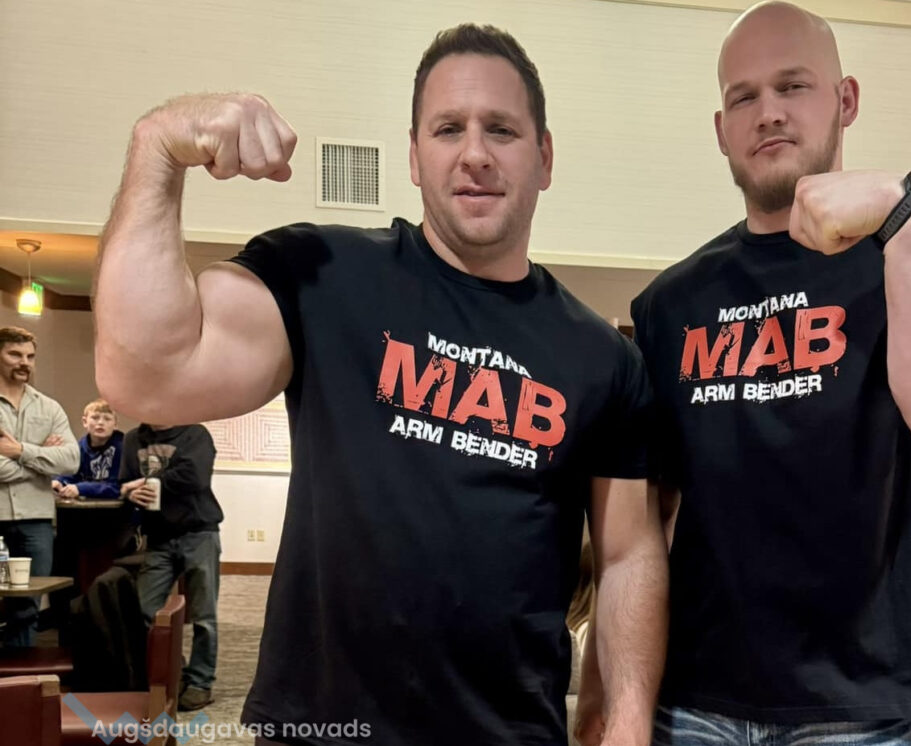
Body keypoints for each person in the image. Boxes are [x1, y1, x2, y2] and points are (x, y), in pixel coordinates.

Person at [93, 23, 667, 746]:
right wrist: (157, 147)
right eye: (449, 128)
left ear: (544, 156)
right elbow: (143, 376)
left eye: (502, 129)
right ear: (415, 156)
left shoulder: (602, 356)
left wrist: (627, 719)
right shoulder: (324, 276)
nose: (475, 153)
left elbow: (627, 555)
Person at [611, 3, 911, 745]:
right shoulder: (670, 304)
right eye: (744, 96)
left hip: (864, 709)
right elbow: (649, 526)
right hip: (696, 703)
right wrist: (623, 704)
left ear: (845, 99)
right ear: (722, 129)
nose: (768, 111)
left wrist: (899, 213)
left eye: (792, 86)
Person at [118, 422, 221, 711]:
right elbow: (125, 481)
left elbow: (195, 476)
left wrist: (146, 482)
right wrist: (130, 493)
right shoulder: (133, 438)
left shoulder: (195, 433)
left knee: (203, 616)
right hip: (159, 538)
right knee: (143, 611)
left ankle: (200, 683)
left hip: (199, 532)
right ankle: (176, 671)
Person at [0, 326, 81, 647]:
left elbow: (71, 460)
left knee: (27, 606)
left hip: (36, 521)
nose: (25, 362)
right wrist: (40, 460)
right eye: (15, 354)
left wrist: (21, 450)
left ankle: (19, 670)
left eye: (30, 356)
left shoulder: (49, 407)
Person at [53, 399, 125, 501]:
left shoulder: (122, 447)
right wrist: (60, 482)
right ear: (85, 422)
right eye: (95, 418)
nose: (100, 423)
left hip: (116, 506)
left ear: (115, 425)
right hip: (87, 505)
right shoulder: (80, 447)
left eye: (107, 419)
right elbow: (72, 474)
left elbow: (117, 487)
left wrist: (81, 488)